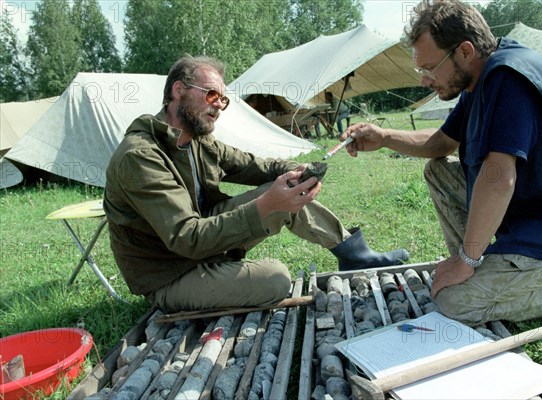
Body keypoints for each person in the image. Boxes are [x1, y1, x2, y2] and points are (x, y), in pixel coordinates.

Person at [340, 0, 542, 326]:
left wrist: (466, 260)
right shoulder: (478, 80)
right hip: (533, 215)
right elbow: (440, 145)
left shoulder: (509, 77)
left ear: (464, 51)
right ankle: (479, 263)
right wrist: (384, 137)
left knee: (454, 303)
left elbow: (499, 176)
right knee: (438, 170)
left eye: (429, 68)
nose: (424, 80)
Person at [103, 55, 409, 313]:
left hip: (204, 244)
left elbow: (256, 166)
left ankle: (352, 254)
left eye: (223, 99)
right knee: (275, 279)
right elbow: (186, 238)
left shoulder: (199, 141)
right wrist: (268, 205)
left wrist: (295, 170)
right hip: (169, 273)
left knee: (279, 188)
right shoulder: (140, 156)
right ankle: (218, 277)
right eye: (212, 95)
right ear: (179, 90)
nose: (219, 106)